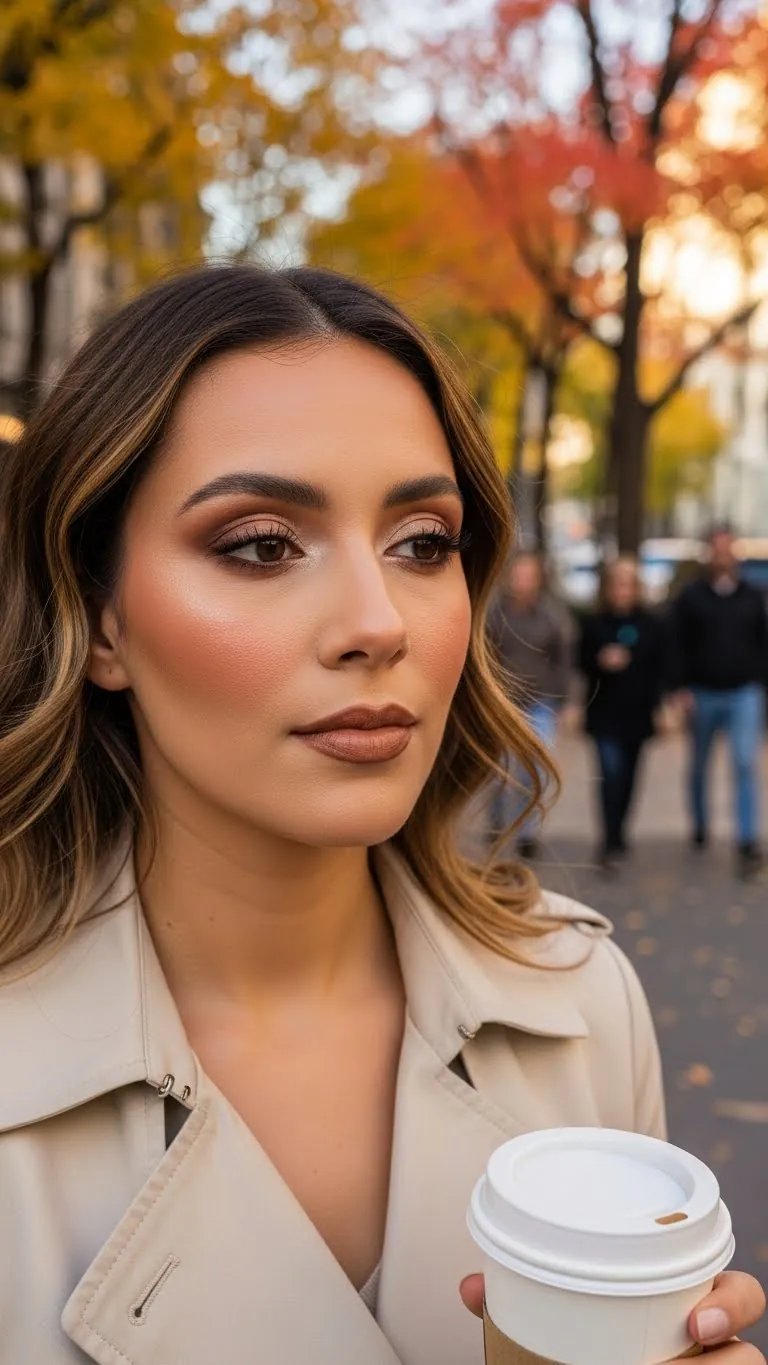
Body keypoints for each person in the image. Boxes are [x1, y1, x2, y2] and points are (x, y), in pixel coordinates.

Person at [0, 265, 763, 1365]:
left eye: (423, 544)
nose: (378, 621)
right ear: (101, 618)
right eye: (261, 543)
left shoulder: (580, 1006)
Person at [672, 524, 768, 880]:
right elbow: (677, 644)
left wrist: (759, 682)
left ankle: (747, 840)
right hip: (702, 692)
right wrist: (679, 687)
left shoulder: (751, 596)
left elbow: (762, 642)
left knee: (744, 762)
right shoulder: (691, 597)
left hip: (744, 691)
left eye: (729, 548)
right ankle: (700, 824)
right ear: (709, 553)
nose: (724, 555)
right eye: (718, 548)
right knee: (699, 764)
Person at [579, 557, 671, 872]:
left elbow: (660, 669)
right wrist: (600, 660)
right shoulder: (595, 623)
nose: (622, 590)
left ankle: (620, 832)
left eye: (628, 584)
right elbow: (581, 662)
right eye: (617, 583)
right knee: (611, 772)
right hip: (604, 712)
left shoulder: (651, 624)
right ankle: (608, 837)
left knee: (630, 777)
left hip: (638, 713)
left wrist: (663, 707)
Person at [486, 552, 574, 859]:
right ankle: (496, 819)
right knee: (499, 770)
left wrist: (564, 701)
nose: (523, 581)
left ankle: (526, 832)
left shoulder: (551, 616)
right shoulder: (494, 614)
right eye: (518, 574)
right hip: (502, 703)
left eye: (529, 575)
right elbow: (484, 657)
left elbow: (563, 659)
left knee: (536, 769)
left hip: (541, 702)